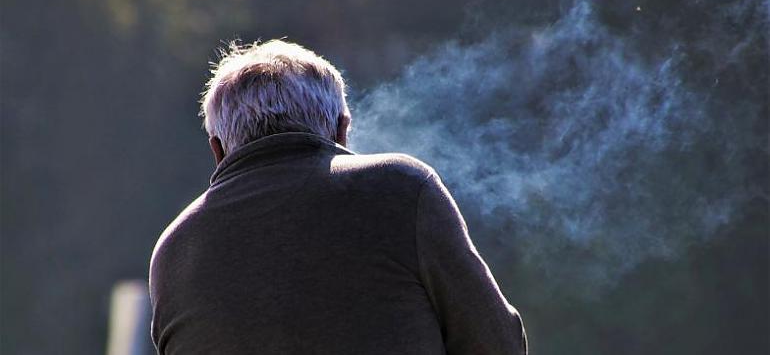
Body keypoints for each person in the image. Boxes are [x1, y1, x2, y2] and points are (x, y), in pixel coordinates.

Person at [149, 39, 527, 355]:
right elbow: (497, 343)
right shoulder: (401, 188)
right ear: (342, 130)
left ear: (217, 150)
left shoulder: (174, 250)